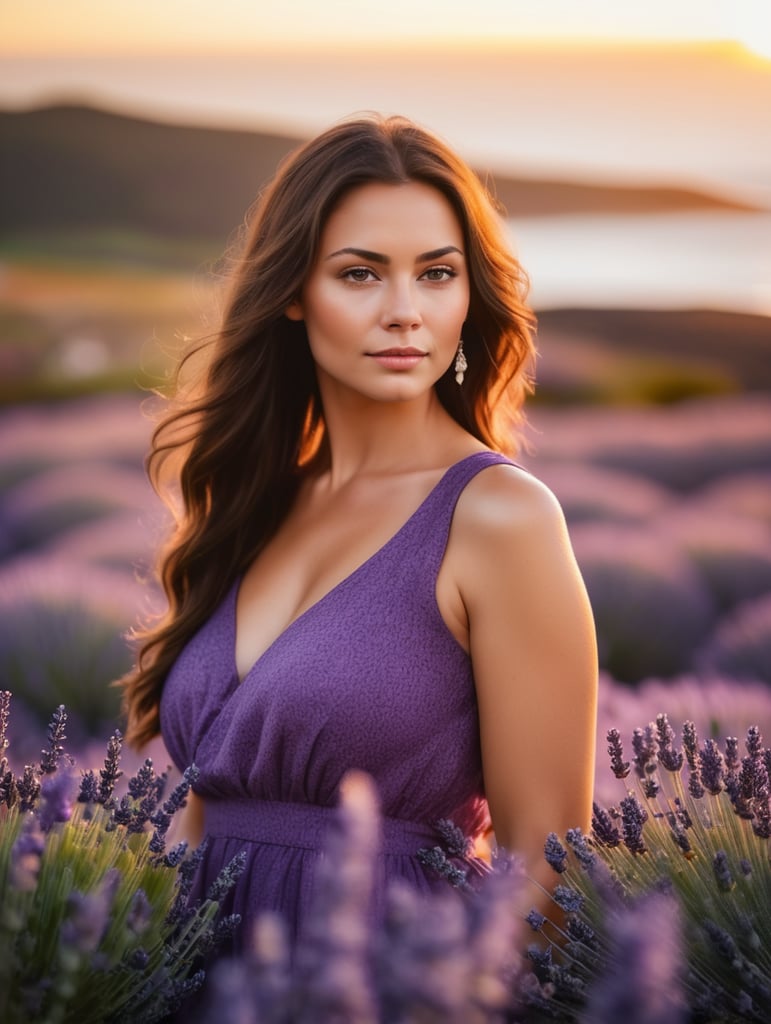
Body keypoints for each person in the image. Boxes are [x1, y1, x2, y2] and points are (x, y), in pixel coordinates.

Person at [121, 113, 598, 950]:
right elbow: (201, 817)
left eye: (436, 274)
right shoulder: (258, 502)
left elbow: (549, 883)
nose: (404, 312)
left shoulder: (498, 520)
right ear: (294, 296)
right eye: (360, 274)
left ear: (466, 298)